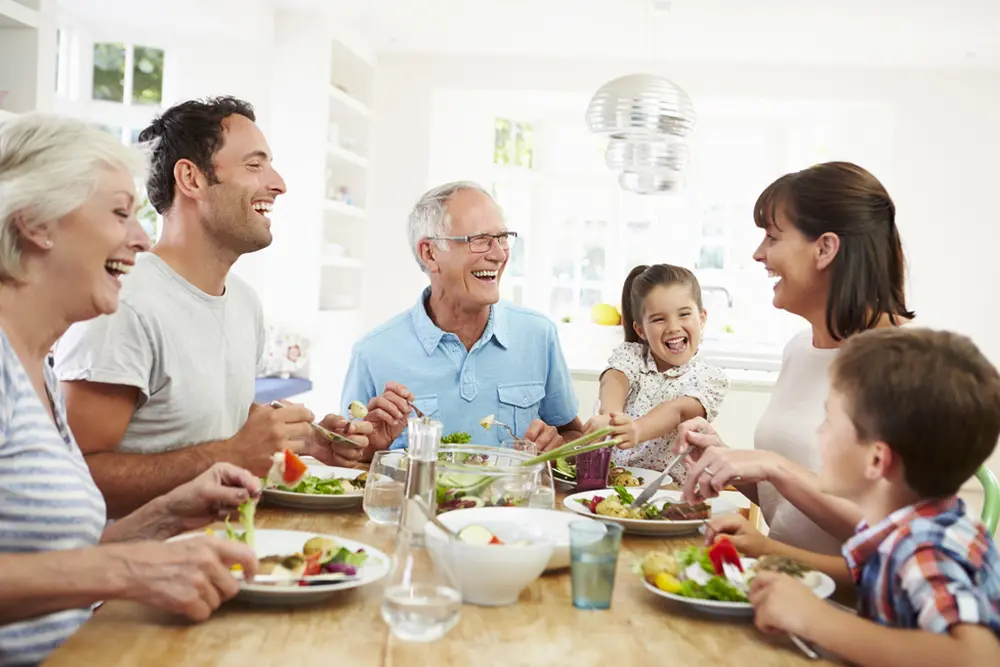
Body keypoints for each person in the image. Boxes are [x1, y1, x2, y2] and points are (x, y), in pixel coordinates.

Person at [0, 113, 260, 667]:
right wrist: (131, 569)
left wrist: (165, 517)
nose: (141, 240)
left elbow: (53, 566)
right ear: (35, 223)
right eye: (120, 214)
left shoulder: (36, 369)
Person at [52, 96, 372, 519]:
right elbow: (78, 478)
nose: (278, 183)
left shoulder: (244, 303)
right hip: (136, 571)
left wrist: (306, 441)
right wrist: (233, 453)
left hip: (224, 554)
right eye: (254, 165)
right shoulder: (122, 303)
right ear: (191, 178)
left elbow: (208, 426)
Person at [673, 161, 914, 555]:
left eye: (772, 237)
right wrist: (728, 459)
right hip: (776, 586)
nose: (757, 254)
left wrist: (773, 467)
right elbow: (788, 506)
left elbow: (892, 546)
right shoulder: (800, 349)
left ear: (825, 248)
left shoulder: (904, 370)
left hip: (835, 606)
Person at [748, 327, 1000, 666]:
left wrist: (817, 620)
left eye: (828, 420)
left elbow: (978, 658)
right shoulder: (908, 526)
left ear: (876, 460)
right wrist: (774, 562)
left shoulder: (925, 546)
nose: (819, 432)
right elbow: (862, 573)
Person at [341, 181, 584, 455]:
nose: (499, 254)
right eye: (479, 241)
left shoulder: (538, 334)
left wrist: (558, 445)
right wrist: (369, 449)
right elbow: (348, 462)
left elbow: (573, 434)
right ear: (430, 253)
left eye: (502, 237)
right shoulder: (372, 353)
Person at [583, 264, 729, 483]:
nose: (673, 327)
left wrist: (636, 430)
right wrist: (609, 417)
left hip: (671, 495)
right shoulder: (633, 355)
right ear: (640, 329)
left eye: (684, 314)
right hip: (614, 487)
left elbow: (677, 410)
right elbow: (614, 380)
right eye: (659, 319)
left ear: (702, 318)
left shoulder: (709, 377)